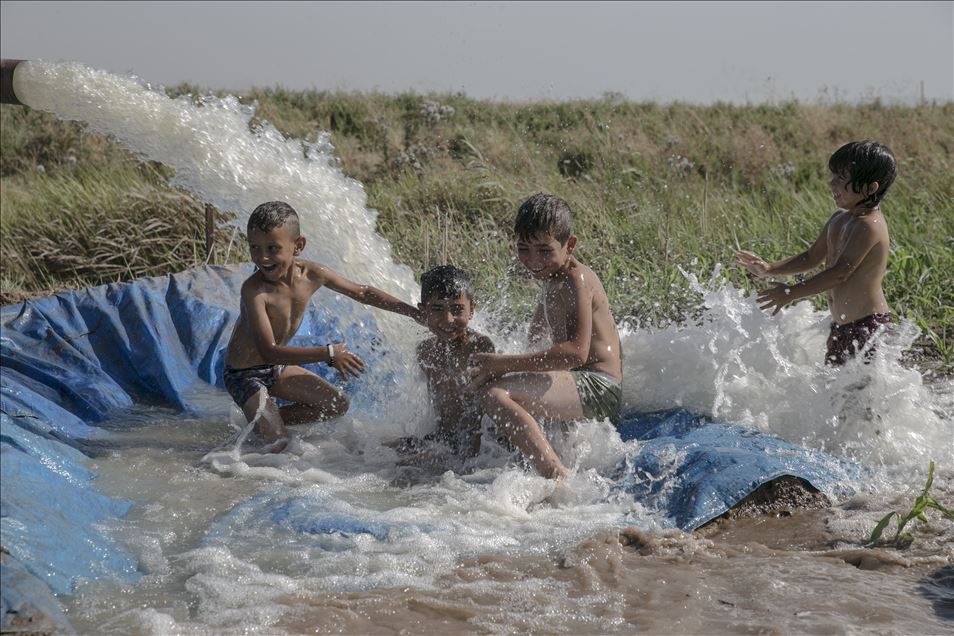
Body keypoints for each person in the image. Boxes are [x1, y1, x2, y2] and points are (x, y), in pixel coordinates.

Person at [223, 201, 421, 451]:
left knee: (336, 404)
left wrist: (412, 312)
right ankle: (267, 425)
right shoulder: (254, 291)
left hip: (276, 367)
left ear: (298, 246)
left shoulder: (313, 274)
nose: (262, 257)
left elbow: (363, 292)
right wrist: (328, 354)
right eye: (255, 248)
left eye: (273, 248)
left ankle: (263, 422)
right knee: (279, 444)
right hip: (245, 375)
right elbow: (268, 350)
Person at [467, 193, 623, 480]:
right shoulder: (551, 279)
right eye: (524, 249)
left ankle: (556, 477)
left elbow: (576, 353)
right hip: (576, 382)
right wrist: (502, 369)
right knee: (489, 388)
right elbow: (536, 340)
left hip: (600, 389)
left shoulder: (578, 280)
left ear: (570, 245)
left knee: (496, 394)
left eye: (544, 250)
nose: (533, 261)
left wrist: (503, 365)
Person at [736, 140, 897, 366]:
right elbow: (811, 257)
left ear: (871, 187)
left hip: (868, 327)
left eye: (841, 179)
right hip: (841, 326)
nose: (832, 183)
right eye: (834, 176)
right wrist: (771, 269)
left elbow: (840, 273)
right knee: (835, 393)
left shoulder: (870, 226)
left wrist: (791, 292)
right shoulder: (839, 219)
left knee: (860, 396)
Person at [388, 265, 496, 464]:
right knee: (371, 451)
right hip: (440, 439)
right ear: (423, 311)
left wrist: (465, 462)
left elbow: (482, 415)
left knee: (404, 466)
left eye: (457, 309)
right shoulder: (425, 351)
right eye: (437, 309)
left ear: (471, 310)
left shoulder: (479, 347)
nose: (448, 319)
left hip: (473, 444)